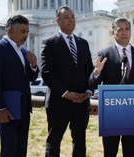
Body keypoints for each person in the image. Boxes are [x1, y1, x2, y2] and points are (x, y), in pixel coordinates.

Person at [89, 17, 134, 157]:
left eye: (127, 29)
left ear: (130, 32)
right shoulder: (105, 54)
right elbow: (92, 83)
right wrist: (96, 72)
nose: (124, 32)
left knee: (130, 152)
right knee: (110, 152)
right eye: (120, 29)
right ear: (113, 33)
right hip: (112, 112)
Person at [40, 5, 93, 157]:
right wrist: (65, 93)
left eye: (72, 17)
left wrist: (88, 92)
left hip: (81, 102)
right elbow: (46, 72)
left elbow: (88, 70)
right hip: (59, 102)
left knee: (80, 142)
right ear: (58, 21)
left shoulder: (83, 43)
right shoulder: (49, 43)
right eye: (66, 18)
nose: (71, 20)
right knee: (54, 142)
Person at [0, 15, 39, 157]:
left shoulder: (23, 51)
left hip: (23, 108)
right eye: (23, 32)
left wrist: (33, 65)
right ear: (10, 30)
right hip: (7, 109)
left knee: (21, 149)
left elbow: (31, 78)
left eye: (28, 32)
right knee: (9, 149)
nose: (26, 36)